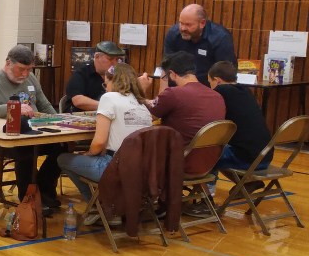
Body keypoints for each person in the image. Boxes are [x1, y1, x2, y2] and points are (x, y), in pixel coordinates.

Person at [57, 63, 153, 222]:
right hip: (143, 170)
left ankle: (98, 206)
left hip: (115, 168)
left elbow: (99, 143)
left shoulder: (109, 98)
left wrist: (88, 154)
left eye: (106, 84)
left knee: (63, 159)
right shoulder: (142, 104)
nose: (105, 88)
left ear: (113, 82)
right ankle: (110, 204)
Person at [0, 44, 62, 215]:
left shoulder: (31, 79)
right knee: (26, 150)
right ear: (8, 63)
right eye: (21, 69)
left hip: (33, 132)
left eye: (29, 70)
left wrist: (59, 121)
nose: (25, 74)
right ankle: (28, 199)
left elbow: (44, 104)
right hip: (3, 137)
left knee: (62, 146)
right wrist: (14, 108)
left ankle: (43, 190)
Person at [140, 51, 225, 175]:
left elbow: (147, 117)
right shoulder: (217, 96)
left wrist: (141, 90)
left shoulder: (174, 93)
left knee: (133, 144)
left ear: (172, 74)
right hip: (209, 163)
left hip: (179, 162)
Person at [207, 61, 273, 173]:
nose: (210, 87)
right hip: (265, 157)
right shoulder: (246, 91)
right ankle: (248, 182)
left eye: (210, 83)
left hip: (245, 159)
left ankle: (209, 184)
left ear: (217, 80)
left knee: (203, 152)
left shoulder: (220, 91)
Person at [162, 4, 236, 86]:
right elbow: (166, 68)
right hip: (179, 87)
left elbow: (226, 75)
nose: (183, 28)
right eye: (181, 23)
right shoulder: (173, 34)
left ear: (202, 23)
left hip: (208, 88)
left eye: (188, 25)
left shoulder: (220, 38)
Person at [64, 40, 125, 112]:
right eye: (110, 59)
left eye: (117, 59)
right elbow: (78, 101)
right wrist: (108, 106)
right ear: (97, 56)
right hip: (80, 116)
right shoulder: (81, 74)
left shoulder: (118, 76)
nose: (115, 63)